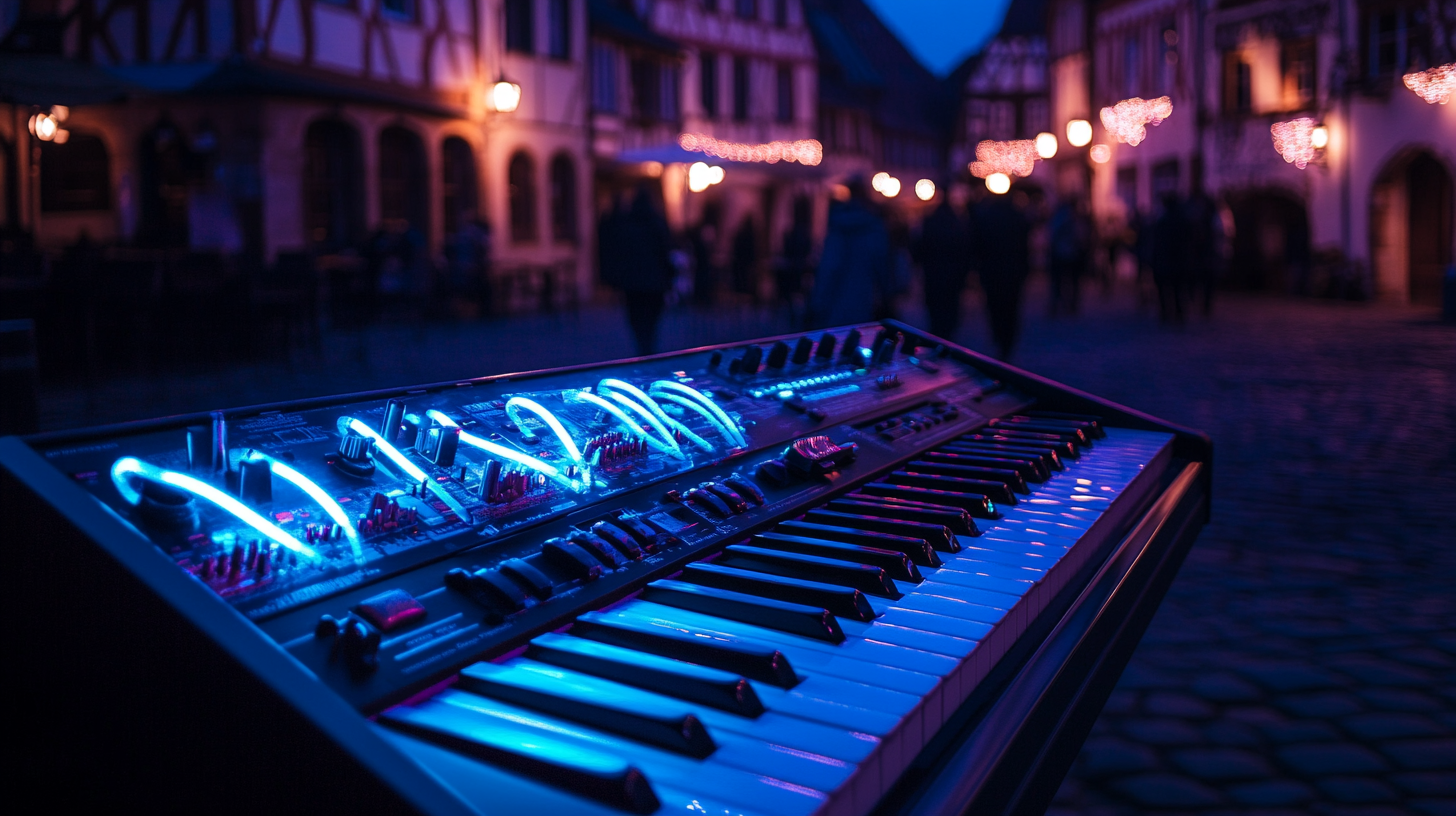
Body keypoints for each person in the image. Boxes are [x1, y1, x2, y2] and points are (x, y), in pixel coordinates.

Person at [809, 177, 891, 327]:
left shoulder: (838, 225)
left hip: (836, 298)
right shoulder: (874, 227)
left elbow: (829, 266)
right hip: (865, 296)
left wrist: (819, 300)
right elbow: (881, 265)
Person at [613, 186, 675, 356]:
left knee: (636, 318)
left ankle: (642, 347)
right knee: (652, 319)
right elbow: (665, 251)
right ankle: (648, 347)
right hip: (654, 282)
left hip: (633, 283)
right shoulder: (657, 223)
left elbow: (621, 254)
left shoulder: (627, 225)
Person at [970, 190, 1032, 360]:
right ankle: (1006, 342)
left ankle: (999, 338)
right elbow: (1025, 246)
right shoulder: (1017, 216)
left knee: (995, 308)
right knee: (1011, 310)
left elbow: (978, 245)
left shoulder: (986, 216)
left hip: (993, 273)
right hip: (1012, 273)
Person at [911, 197, 970, 341]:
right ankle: (947, 335)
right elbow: (965, 251)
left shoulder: (929, 223)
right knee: (950, 308)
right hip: (952, 276)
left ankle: (938, 336)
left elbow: (918, 249)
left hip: (933, 276)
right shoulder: (957, 225)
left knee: (935, 310)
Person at [1046, 198, 1091, 316]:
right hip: (1069, 255)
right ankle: (1068, 306)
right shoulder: (1075, 219)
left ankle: (1061, 306)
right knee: (1068, 283)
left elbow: (1051, 236)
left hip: (1064, 255)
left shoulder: (1059, 219)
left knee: (1060, 283)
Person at [1151, 193, 1188, 324]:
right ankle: (1179, 314)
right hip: (1179, 261)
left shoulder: (1163, 221)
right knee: (1178, 290)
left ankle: (1165, 313)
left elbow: (1157, 243)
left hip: (1165, 261)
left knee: (1164, 290)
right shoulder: (1183, 221)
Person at [730, 217, 758, 300]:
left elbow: (735, 248)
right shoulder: (751, 236)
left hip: (739, 262)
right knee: (746, 283)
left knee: (740, 283)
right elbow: (752, 250)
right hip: (746, 263)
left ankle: (741, 299)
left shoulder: (740, 234)